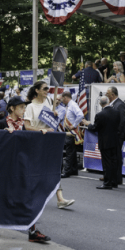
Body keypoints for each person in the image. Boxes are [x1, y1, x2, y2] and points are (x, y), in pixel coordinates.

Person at [0, 95, 51, 243]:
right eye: (21, 107)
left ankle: (32, 231)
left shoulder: (24, 125)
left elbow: (31, 139)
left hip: (22, 167)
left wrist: (42, 133)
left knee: (28, 197)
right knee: (1, 196)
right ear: (12, 108)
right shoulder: (2, 123)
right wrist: (3, 135)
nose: (24, 109)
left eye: (24, 107)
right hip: (5, 168)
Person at [24, 80, 75, 209]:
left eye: (48, 89)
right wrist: (41, 130)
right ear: (37, 90)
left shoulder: (48, 102)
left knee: (53, 169)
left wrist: (54, 115)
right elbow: (27, 126)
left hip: (48, 142)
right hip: (35, 143)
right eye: (45, 88)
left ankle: (60, 199)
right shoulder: (30, 107)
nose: (47, 91)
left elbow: (51, 119)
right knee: (35, 172)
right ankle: (27, 196)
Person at [82, 96, 120, 188]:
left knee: (106, 163)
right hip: (115, 140)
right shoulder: (117, 112)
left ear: (100, 104)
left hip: (105, 141)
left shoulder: (100, 115)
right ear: (108, 102)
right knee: (114, 161)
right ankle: (114, 182)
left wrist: (88, 124)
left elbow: (95, 128)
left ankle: (107, 183)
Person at [60, 91, 84, 178]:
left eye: (62, 98)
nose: (62, 100)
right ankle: (73, 170)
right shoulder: (69, 105)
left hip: (71, 131)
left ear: (65, 97)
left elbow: (80, 115)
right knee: (72, 151)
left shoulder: (72, 105)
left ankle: (67, 171)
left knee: (69, 151)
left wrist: (74, 125)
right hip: (69, 131)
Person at [106, 86, 125, 185]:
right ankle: (110, 176)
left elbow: (122, 121)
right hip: (112, 136)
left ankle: (117, 179)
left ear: (112, 95)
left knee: (117, 157)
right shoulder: (112, 104)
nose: (106, 95)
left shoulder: (120, 105)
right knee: (112, 157)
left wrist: (116, 134)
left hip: (117, 136)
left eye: (107, 94)